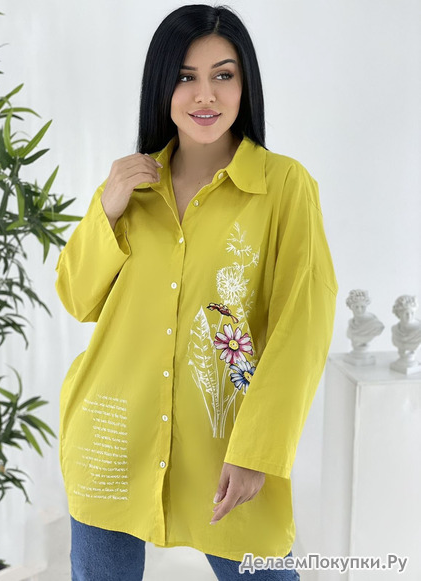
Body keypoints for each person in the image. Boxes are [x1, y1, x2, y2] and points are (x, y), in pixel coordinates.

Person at [54, 4, 338, 580]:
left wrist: (257, 451)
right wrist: (106, 209)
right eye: (186, 76)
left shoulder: (284, 187)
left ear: (244, 84)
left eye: (222, 75)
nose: (205, 95)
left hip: (225, 447)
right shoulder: (130, 187)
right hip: (111, 436)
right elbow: (78, 299)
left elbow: (302, 328)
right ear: (162, 85)